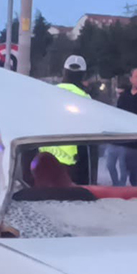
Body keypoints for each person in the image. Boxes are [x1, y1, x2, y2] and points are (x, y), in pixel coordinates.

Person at [41, 56, 92, 185]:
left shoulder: (49, 93)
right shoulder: (85, 98)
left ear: (64, 72)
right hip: (72, 164)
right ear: (83, 75)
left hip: (44, 159)